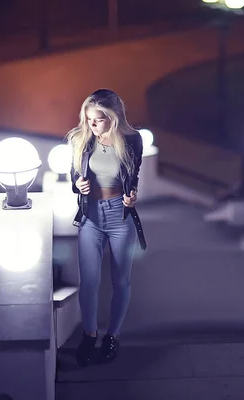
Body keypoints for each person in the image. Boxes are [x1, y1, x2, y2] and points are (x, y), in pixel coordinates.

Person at [67, 88, 147, 367]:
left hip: (120, 217)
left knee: (120, 280)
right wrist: (78, 183)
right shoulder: (80, 139)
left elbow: (133, 175)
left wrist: (132, 193)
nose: (91, 125)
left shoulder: (132, 140)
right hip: (90, 216)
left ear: (113, 118)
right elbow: (74, 172)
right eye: (88, 119)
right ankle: (90, 334)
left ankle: (112, 336)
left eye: (98, 120)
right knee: (88, 281)